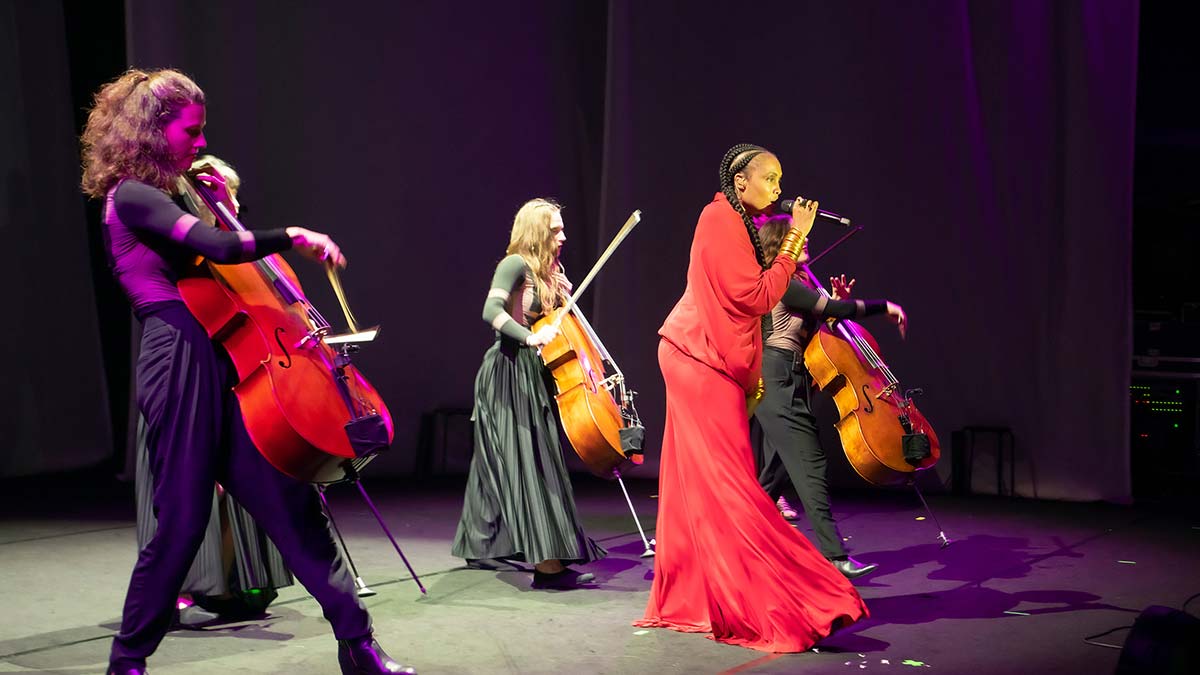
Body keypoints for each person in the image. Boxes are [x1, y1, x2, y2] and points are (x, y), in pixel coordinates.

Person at [80, 68, 413, 675]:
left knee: (290, 499)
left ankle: (358, 645)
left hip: (221, 361)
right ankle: (126, 663)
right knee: (181, 523)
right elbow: (222, 250)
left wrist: (224, 204)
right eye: (192, 131)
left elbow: (225, 255)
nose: (201, 143)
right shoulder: (132, 195)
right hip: (177, 361)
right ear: (154, 132)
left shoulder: (176, 190)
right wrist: (292, 234)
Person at [635, 143, 868, 652]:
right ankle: (795, 594)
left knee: (700, 482)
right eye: (770, 179)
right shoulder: (719, 219)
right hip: (699, 357)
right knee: (730, 483)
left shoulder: (731, 222)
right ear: (740, 181)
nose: (779, 189)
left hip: (699, 354)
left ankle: (696, 594)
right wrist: (795, 241)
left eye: (780, 180)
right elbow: (758, 296)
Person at [132, 156, 293, 628]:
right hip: (187, 373)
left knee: (238, 490)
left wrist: (225, 209)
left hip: (230, 375)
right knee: (187, 494)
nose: (235, 203)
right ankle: (174, 592)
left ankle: (237, 582)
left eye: (235, 194)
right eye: (226, 193)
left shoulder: (218, 233)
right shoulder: (180, 246)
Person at [451, 198, 606, 589]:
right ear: (536, 232)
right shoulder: (514, 264)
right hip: (508, 372)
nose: (563, 235)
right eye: (555, 229)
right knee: (530, 462)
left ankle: (482, 543)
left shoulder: (553, 273)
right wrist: (531, 335)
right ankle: (547, 567)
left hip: (534, 372)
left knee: (496, 461)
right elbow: (492, 312)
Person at [751, 218, 908, 580]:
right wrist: (883, 306)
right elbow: (832, 313)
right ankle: (835, 555)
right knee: (812, 463)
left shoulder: (797, 283)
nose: (806, 241)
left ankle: (732, 541)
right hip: (776, 375)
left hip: (790, 376)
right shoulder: (784, 283)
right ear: (780, 244)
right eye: (799, 238)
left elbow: (824, 320)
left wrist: (836, 303)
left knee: (773, 474)